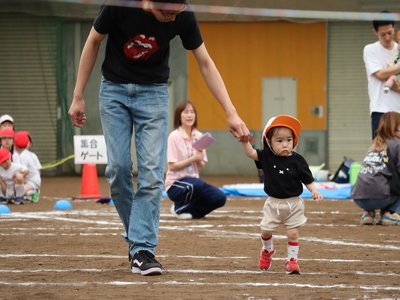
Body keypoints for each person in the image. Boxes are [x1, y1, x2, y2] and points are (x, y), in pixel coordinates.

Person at [68, 0, 250, 276]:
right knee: (117, 170)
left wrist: (231, 111)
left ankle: (142, 249)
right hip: (113, 90)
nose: (170, 18)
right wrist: (78, 95)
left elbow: (205, 62)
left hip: (153, 94)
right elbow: (93, 42)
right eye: (165, 12)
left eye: (175, 12)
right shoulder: (120, 5)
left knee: (152, 173)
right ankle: (137, 240)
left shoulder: (182, 16)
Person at [240, 115, 322, 274]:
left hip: (294, 204)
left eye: (289, 140)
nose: (285, 144)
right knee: (266, 231)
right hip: (273, 204)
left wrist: (314, 190)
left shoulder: (298, 161)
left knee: (293, 233)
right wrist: (245, 141)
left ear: (294, 141)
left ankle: (292, 261)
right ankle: (267, 250)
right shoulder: (266, 157)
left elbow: (307, 179)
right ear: (269, 142)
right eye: (279, 141)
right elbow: (250, 153)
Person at [165, 100, 226, 219]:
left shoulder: (198, 136)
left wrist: (199, 157)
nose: (189, 115)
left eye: (192, 112)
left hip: (194, 182)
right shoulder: (174, 136)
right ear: (179, 116)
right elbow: (172, 166)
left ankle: (193, 212)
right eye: (186, 112)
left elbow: (200, 166)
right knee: (196, 185)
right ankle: (179, 208)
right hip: (175, 184)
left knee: (219, 197)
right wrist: (193, 158)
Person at [351, 111, 400, 226]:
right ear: (394, 128)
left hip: (359, 198)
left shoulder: (374, 144)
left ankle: (368, 213)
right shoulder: (397, 144)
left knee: (381, 180)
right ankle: (391, 213)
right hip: (381, 196)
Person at [363, 13, 400, 139]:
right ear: (375, 31)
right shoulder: (370, 50)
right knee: (380, 152)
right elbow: (380, 74)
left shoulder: (398, 49)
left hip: (398, 109)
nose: (387, 37)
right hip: (380, 109)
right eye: (383, 34)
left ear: (394, 27)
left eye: (390, 32)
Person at [12, 131, 42, 202]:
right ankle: (27, 195)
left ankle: (33, 192)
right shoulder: (15, 154)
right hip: (23, 181)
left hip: (32, 181)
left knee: (16, 193)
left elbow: (36, 171)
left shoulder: (27, 155)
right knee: (14, 192)